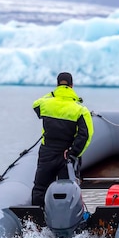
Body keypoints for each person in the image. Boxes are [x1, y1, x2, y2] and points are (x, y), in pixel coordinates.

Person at [31, 72, 94, 207]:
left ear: (57, 84)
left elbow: (36, 104)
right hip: (67, 155)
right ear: (72, 85)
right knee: (67, 191)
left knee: (40, 188)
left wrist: (54, 94)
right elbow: (86, 135)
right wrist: (73, 153)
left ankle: (35, 224)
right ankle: (65, 222)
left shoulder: (45, 104)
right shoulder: (80, 110)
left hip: (47, 152)